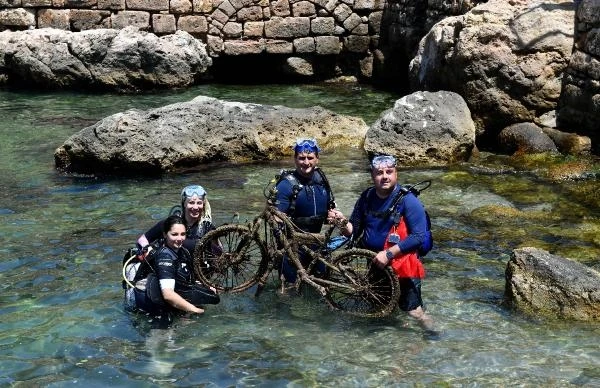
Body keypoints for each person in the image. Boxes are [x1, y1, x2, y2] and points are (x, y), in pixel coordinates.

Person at [327, 154, 435, 333]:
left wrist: (389, 254)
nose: (384, 176)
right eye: (379, 173)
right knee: (378, 305)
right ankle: (385, 341)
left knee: (414, 312)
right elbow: (353, 231)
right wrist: (342, 222)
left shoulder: (408, 201)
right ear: (372, 175)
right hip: (374, 263)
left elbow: (419, 237)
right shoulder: (367, 196)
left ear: (396, 173)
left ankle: (432, 335)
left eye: (389, 172)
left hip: (401, 265)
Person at [126, 215, 220, 319]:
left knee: (211, 298)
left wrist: (207, 286)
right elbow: (168, 295)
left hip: (167, 293)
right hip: (150, 303)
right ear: (165, 235)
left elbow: (188, 280)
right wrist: (195, 310)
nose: (179, 239)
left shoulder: (184, 252)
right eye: (174, 234)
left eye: (183, 234)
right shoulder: (164, 257)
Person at [275, 138, 336, 284]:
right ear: (295, 159)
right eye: (301, 158)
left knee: (324, 287)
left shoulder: (322, 180)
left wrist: (334, 216)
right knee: (290, 292)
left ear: (317, 159)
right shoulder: (286, 185)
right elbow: (275, 222)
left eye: (310, 158)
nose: (306, 162)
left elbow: (329, 210)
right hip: (293, 249)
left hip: (317, 244)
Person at [137, 184, 215, 253]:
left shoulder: (208, 227)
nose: (195, 207)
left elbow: (218, 252)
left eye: (199, 203)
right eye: (191, 203)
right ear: (184, 204)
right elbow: (143, 239)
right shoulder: (171, 224)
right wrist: (147, 250)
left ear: (203, 205)